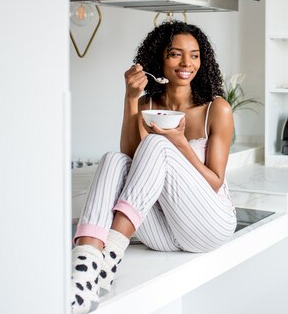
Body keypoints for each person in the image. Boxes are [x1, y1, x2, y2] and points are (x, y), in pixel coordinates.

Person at [70, 20, 236, 313]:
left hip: (209, 223)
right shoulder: (148, 104)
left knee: (158, 144)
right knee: (114, 159)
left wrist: (180, 143)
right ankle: (83, 274)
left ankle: (108, 260)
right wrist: (131, 98)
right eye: (176, 54)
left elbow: (215, 182)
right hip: (161, 231)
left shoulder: (216, 108)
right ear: (159, 58)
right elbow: (132, 161)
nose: (187, 62)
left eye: (195, 55)